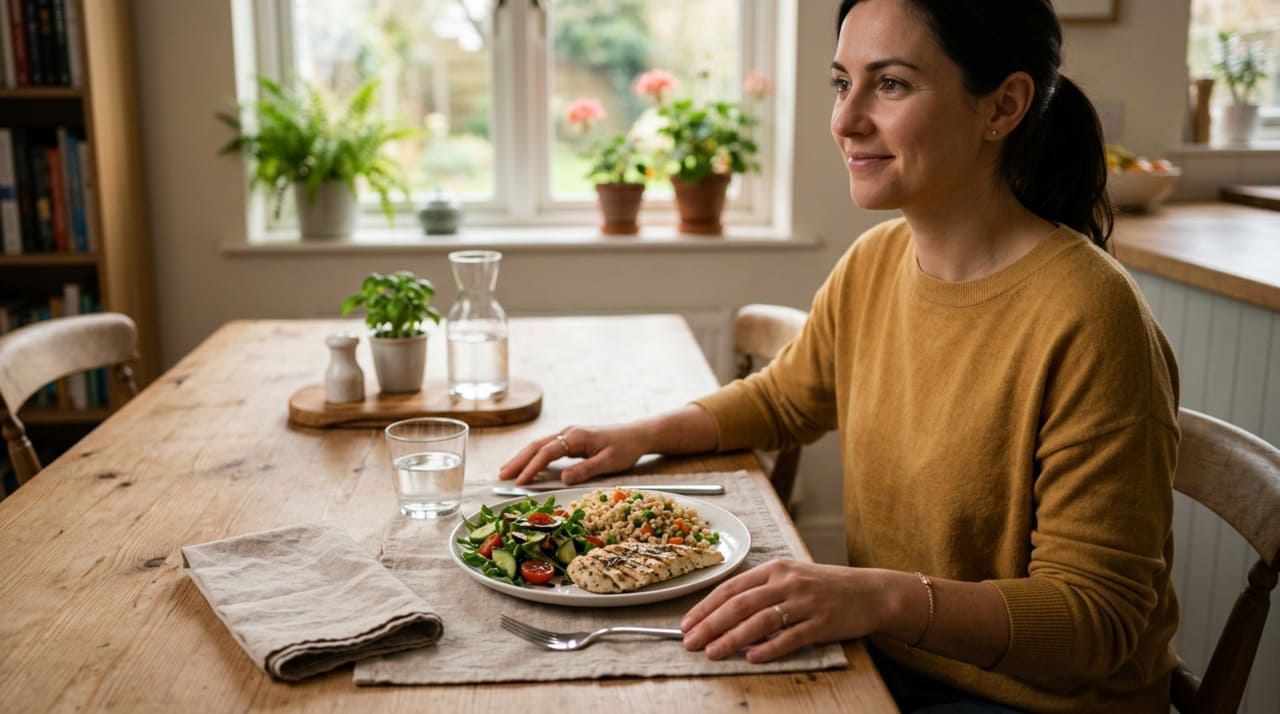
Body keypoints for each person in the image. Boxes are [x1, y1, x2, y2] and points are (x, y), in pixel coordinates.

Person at [500, 0, 1180, 711]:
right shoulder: (879, 260)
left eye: (890, 84)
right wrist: (634, 437)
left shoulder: (1093, 318)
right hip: (891, 657)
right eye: (841, 83)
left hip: (1027, 699)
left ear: (1002, 107)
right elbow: (784, 398)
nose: (846, 120)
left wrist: (882, 597)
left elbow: (1093, 622)